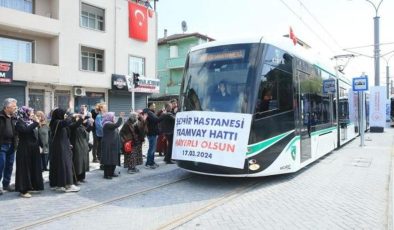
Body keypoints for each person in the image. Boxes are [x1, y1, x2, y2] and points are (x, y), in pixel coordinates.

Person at [15, 106, 44, 198]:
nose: (32, 114)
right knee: (25, 169)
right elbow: (25, 130)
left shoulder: (31, 122)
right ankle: (23, 190)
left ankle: (32, 186)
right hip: (24, 149)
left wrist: (40, 145)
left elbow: (36, 134)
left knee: (33, 167)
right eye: (30, 112)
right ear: (25, 113)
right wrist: (36, 123)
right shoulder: (19, 122)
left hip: (34, 149)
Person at [49, 108, 80, 192]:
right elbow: (66, 122)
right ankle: (67, 185)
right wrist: (71, 115)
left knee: (60, 165)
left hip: (61, 146)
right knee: (65, 165)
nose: (64, 115)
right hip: (60, 147)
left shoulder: (57, 122)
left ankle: (58, 184)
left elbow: (65, 132)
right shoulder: (57, 122)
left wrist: (68, 143)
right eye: (63, 114)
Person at [0, 98, 18, 195]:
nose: (15, 109)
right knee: (1, 166)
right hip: (2, 145)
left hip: (11, 145)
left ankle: (6, 184)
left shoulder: (14, 117)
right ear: (7, 107)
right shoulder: (0, 116)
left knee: (10, 166)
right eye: (14, 107)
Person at [101, 112, 123, 179]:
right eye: (113, 117)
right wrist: (120, 117)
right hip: (108, 145)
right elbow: (117, 125)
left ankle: (111, 173)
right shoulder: (107, 124)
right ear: (109, 117)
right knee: (108, 159)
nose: (114, 118)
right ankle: (106, 175)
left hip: (113, 145)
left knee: (113, 159)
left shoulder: (111, 124)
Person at [69, 113, 89, 184]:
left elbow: (86, 132)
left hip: (83, 146)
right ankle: (75, 179)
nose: (79, 118)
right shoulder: (72, 125)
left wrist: (91, 124)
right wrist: (82, 118)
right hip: (76, 146)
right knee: (77, 163)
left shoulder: (81, 126)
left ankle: (81, 177)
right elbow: (76, 124)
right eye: (78, 117)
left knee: (83, 163)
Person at [144, 102, 160, 169]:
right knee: (151, 149)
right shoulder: (149, 113)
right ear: (150, 106)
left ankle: (152, 162)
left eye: (155, 106)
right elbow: (156, 119)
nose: (155, 107)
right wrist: (164, 115)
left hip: (153, 133)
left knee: (153, 149)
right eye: (153, 106)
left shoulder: (151, 112)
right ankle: (148, 163)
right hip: (151, 134)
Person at [95, 103, 107, 169]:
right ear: (102, 108)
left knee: (104, 150)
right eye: (105, 107)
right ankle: (102, 164)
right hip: (101, 135)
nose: (106, 108)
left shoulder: (104, 115)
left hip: (105, 135)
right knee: (101, 150)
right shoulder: (98, 116)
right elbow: (99, 126)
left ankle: (104, 163)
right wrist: (106, 130)